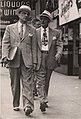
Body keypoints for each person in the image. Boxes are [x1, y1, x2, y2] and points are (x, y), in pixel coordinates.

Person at [1, 5, 37, 116]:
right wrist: (5, 56)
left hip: (27, 60)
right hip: (13, 59)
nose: (26, 15)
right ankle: (16, 103)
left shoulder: (32, 29)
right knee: (15, 83)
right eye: (24, 13)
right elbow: (5, 42)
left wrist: (34, 61)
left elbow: (34, 47)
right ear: (19, 14)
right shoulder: (10, 28)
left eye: (27, 14)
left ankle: (28, 105)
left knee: (28, 83)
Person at [36, 10, 63, 106]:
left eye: (45, 19)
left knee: (46, 80)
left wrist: (59, 53)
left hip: (50, 58)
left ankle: (44, 97)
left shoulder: (56, 32)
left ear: (49, 21)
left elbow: (59, 44)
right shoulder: (36, 32)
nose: (42, 21)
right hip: (39, 57)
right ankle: (42, 100)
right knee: (40, 80)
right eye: (41, 19)